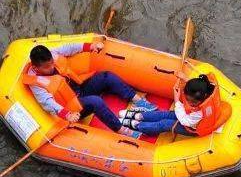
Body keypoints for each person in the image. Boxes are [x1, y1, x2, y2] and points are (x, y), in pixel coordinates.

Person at [21, 40, 152, 135]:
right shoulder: (35, 83)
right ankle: (123, 130)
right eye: (46, 67)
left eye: (51, 64)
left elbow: (70, 47)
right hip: (72, 107)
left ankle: (138, 100)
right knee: (96, 102)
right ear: (35, 67)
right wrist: (67, 115)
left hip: (79, 89)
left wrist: (91, 46)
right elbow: (47, 103)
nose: (51, 68)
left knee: (107, 76)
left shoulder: (52, 54)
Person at [121, 73, 226, 138]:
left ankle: (139, 126)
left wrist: (176, 101)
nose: (189, 103)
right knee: (165, 114)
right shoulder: (206, 90)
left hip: (193, 127)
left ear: (200, 100)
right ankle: (140, 116)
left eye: (191, 102)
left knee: (165, 124)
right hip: (191, 118)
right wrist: (186, 79)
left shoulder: (200, 112)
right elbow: (196, 89)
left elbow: (185, 121)